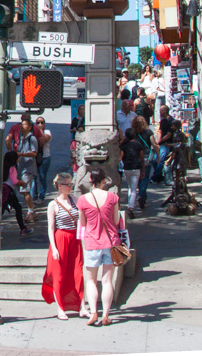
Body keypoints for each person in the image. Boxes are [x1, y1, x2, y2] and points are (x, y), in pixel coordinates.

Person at [77, 168, 124, 326]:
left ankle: (93, 313)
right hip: (111, 243)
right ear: (104, 181)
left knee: (90, 280)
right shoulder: (112, 197)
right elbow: (117, 220)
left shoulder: (83, 200)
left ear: (90, 180)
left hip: (92, 243)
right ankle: (106, 315)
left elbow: (82, 223)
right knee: (107, 280)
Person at [42, 172, 85, 320]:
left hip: (75, 238)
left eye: (71, 184)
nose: (71, 187)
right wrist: (54, 248)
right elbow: (51, 228)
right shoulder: (53, 204)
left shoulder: (75, 199)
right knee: (59, 275)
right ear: (60, 186)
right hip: (61, 239)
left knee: (78, 273)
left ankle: (82, 306)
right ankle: (61, 307)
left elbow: (81, 218)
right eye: (68, 184)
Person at [2, 152, 34, 236]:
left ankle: (22, 228)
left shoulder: (2, 166)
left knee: (3, 210)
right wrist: (22, 183)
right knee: (17, 208)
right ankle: (22, 228)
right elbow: (14, 181)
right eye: (17, 158)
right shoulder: (12, 168)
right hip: (9, 191)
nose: (18, 159)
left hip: (3, 190)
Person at [132, 116, 159, 209]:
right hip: (146, 157)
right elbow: (154, 144)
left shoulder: (132, 132)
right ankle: (141, 194)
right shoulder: (148, 132)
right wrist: (158, 156)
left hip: (135, 158)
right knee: (145, 177)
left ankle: (142, 194)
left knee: (138, 177)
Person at [15, 118, 39, 220]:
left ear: (29, 127)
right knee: (23, 190)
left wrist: (22, 154)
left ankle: (31, 212)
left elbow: (34, 153)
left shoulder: (32, 138)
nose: (22, 126)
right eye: (21, 124)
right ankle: (31, 211)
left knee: (25, 190)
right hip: (22, 167)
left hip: (29, 168)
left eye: (24, 124)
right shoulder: (21, 138)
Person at [119, 127, 146, 218]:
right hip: (136, 168)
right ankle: (131, 207)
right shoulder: (138, 145)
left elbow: (120, 157)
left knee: (130, 187)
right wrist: (143, 170)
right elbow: (141, 158)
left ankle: (130, 204)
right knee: (134, 189)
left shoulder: (124, 145)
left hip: (126, 168)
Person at [35, 117, 53, 201]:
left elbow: (43, 141)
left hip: (44, 157)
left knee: (42, 176)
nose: (40, 124)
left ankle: (41, 196)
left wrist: (40, 130)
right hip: (34, 157)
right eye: (38, 123)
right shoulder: (33, 132)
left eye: (42, 122)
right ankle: (34, 197)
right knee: (33, 178)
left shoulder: (47, 132)